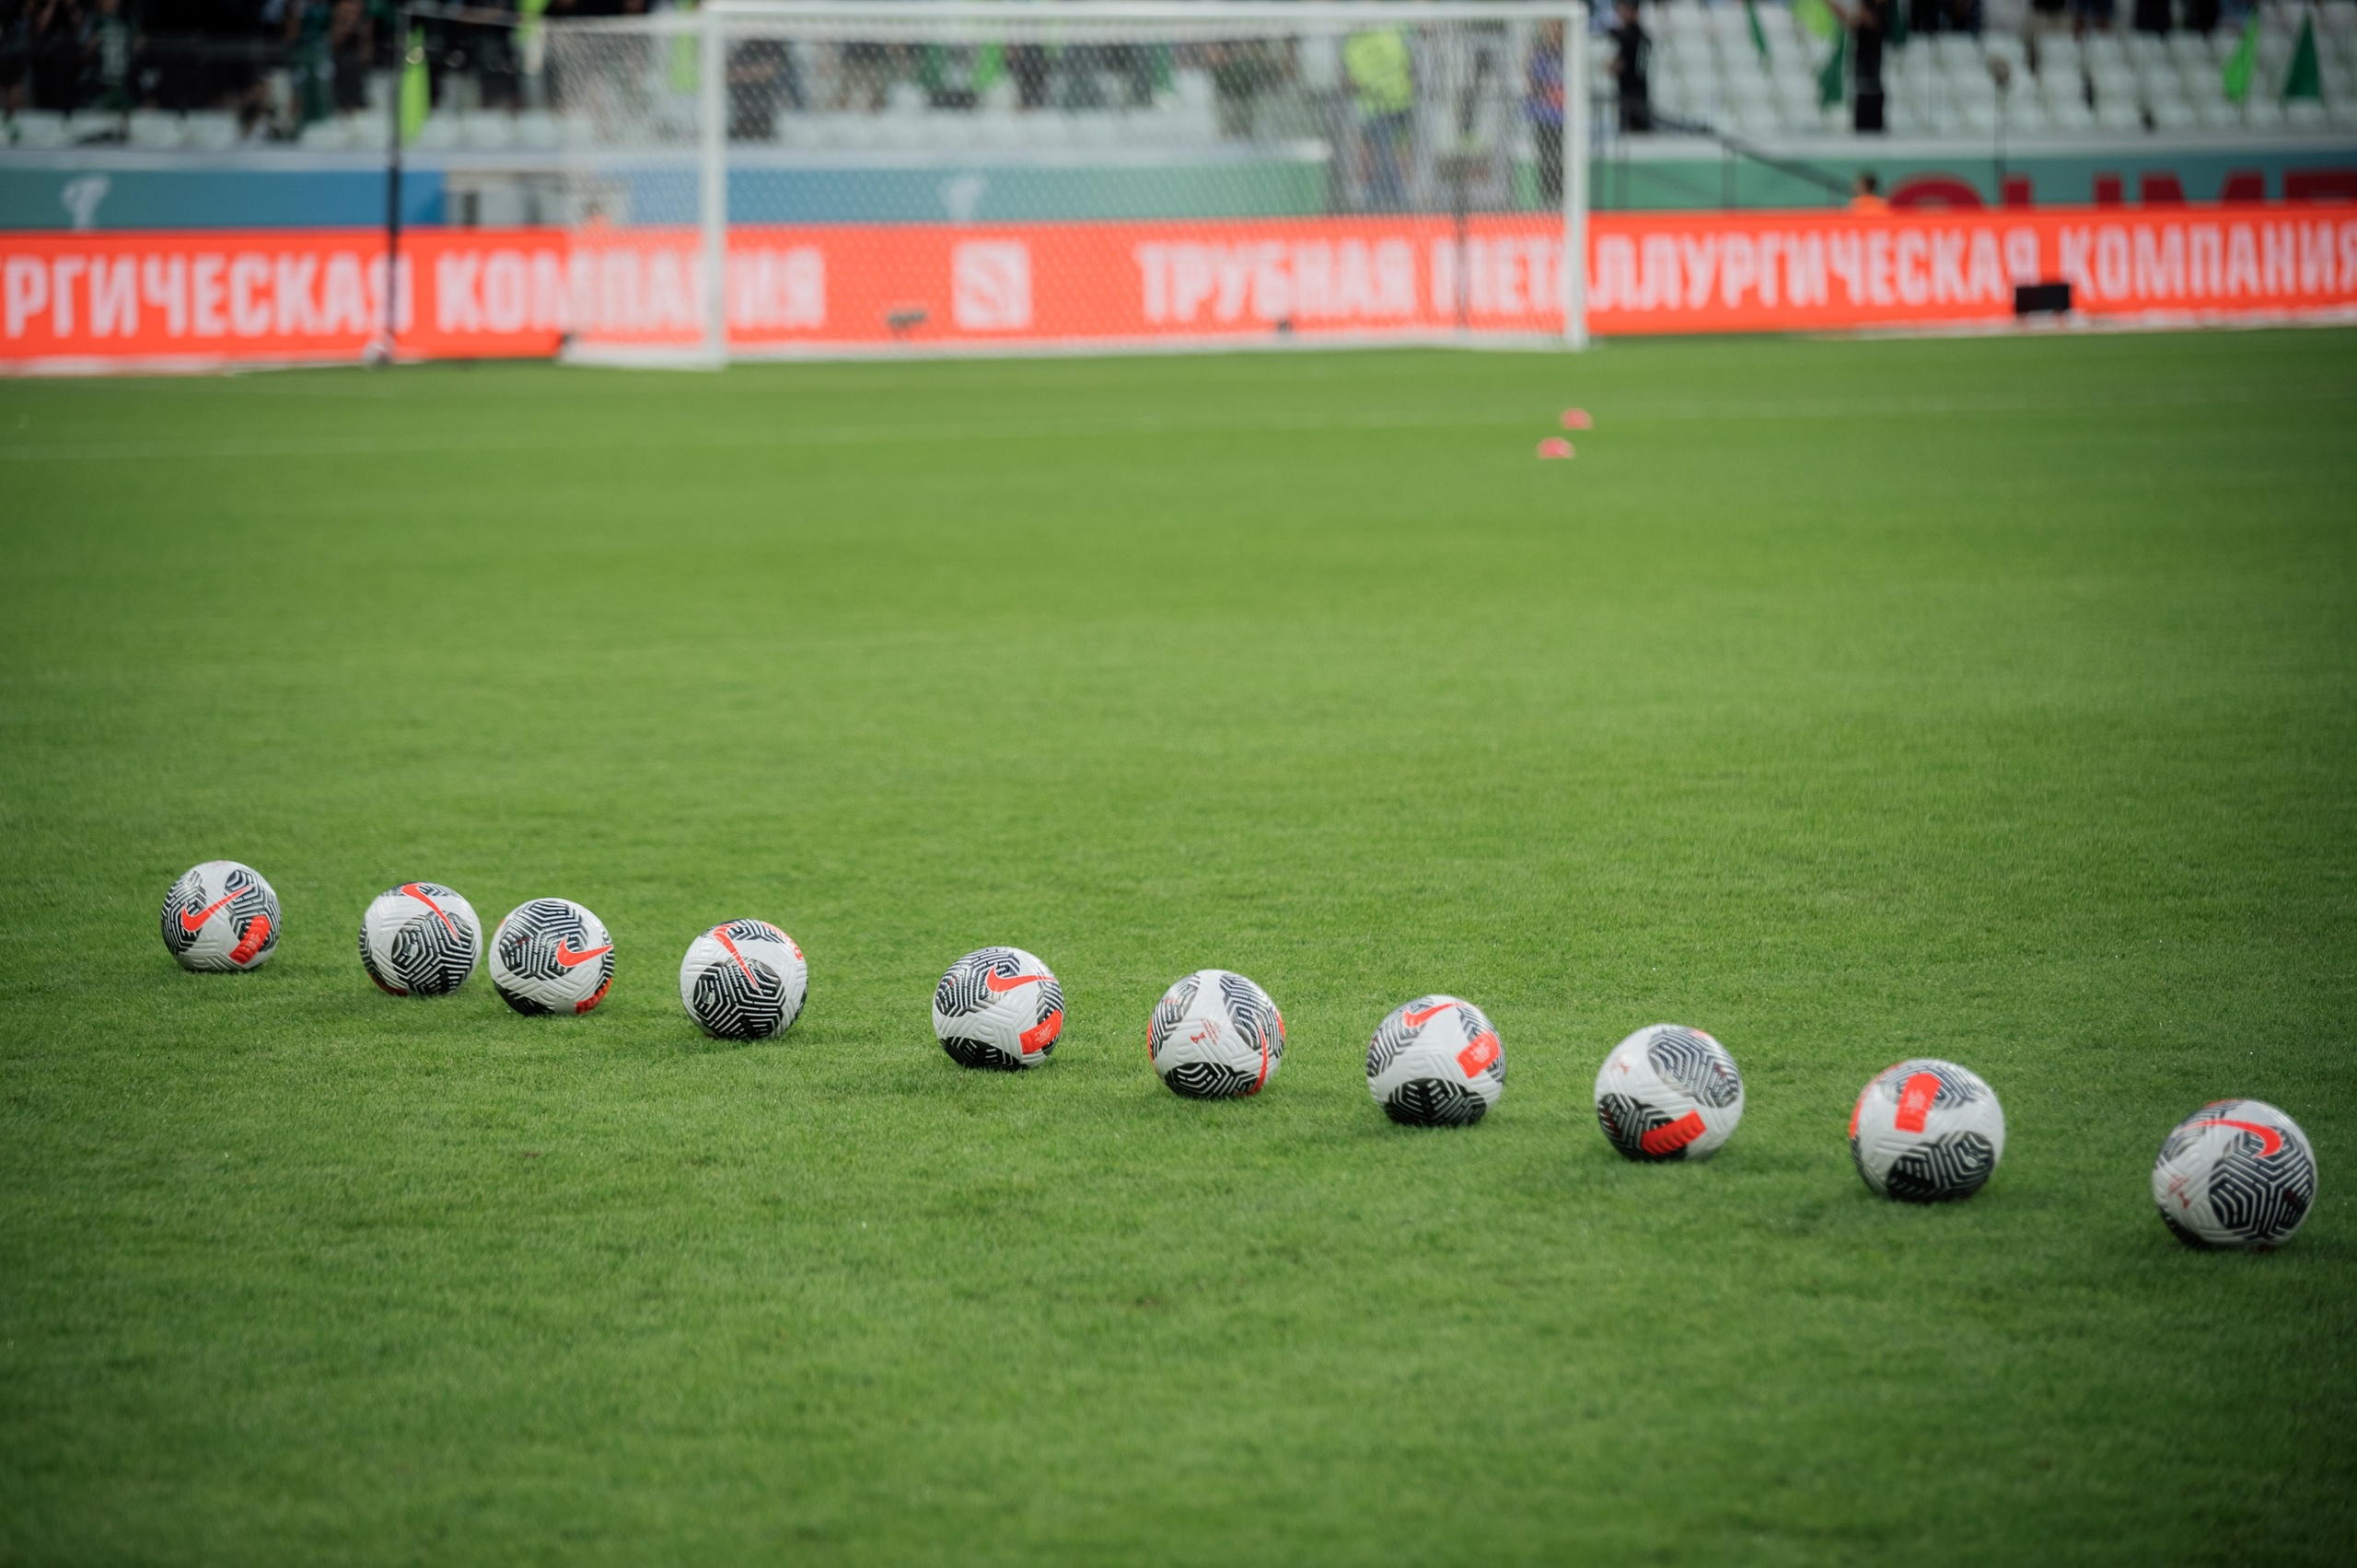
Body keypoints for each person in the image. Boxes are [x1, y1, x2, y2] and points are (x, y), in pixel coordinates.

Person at [1342, 24, 1412, 210]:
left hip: (1375, 104)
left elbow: (1350, 81)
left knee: (1372, 148)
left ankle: (1363, 193)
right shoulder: (1390, 32)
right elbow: (1408, 66)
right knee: (1395, 147)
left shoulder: (1353, 44)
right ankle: (1402, 192)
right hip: (1398, 100)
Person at [1831, 0, 1891, 132]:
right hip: (1863, 92)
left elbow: (1847, 17)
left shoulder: (1877, 25)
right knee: (1863, 135)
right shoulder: (1863, 30)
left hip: (1872, 94)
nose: (1858, 13)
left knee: (1873, 135)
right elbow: (1844, 17)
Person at [1527, 19, 1564, 203]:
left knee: (1562, 157)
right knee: (1546, 156)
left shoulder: (1568, 55)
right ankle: (1548, 197)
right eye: (1548, 29)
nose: (1551, 32)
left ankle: (1562, 196)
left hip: (1563, 117)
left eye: (1554, 28)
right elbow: (1534, 85)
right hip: (1544, 115)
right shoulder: (1539, 56)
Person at [1609, 0, 1651, 132]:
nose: (1621, 13)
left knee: (1632, 130)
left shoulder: (1630, 36)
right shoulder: (1643, 36)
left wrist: (1611, 66)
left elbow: (1619, 66)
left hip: (1631, 92)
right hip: (1639, 90)